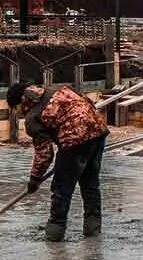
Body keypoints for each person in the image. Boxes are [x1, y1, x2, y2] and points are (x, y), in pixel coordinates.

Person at [7, 79, 109, 242]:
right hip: (98, 130)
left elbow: (45, 153)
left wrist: (34, 179)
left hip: (73, 140)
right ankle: (93, 228)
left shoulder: (33, 117)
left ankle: (55, 231)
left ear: (20, 103)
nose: (16, 113)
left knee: (62, 188)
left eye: (14, 109)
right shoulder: (57, 89)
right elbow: (86, 102)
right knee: (90, 184)